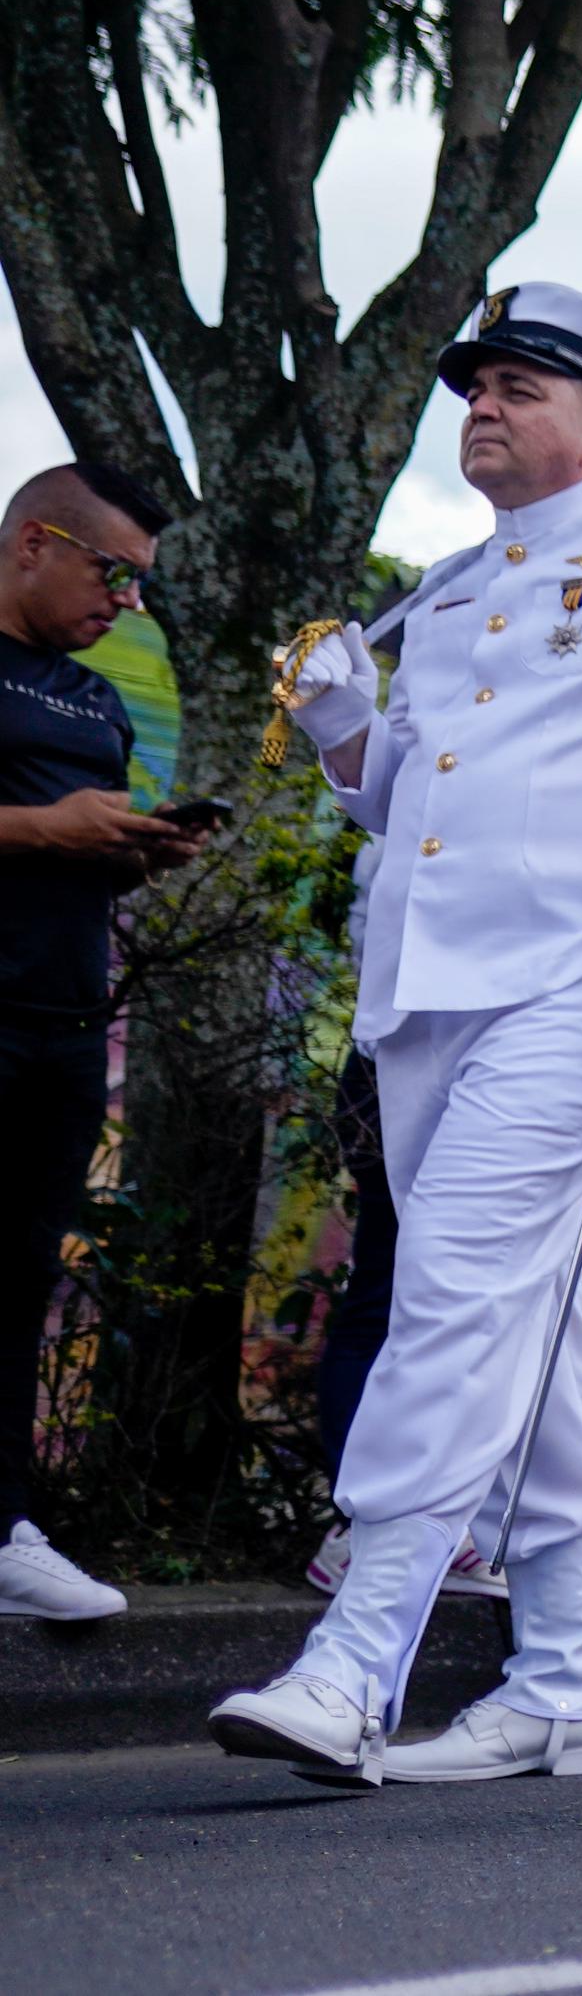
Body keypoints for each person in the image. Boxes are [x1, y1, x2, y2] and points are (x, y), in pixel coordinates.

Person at [212, 284, 582, 1789]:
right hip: (430, 997)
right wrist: (344, 727)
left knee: (456, 1299)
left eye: (521, 385)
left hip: (580, 980)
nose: (484, 404)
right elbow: (401, 796)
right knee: (532, 1321)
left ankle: (356, 1659)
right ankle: (561, 1678)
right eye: (474, 385)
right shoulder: (448, 590)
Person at [0, 462, 200, 1624]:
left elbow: (74, 857)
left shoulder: (96, 700)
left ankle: (3, 1528)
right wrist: (45, 826)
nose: (127, 600)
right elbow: (41, 833)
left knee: (23, 1276)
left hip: (67, 1027)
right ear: (35, 541)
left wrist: (133, 852)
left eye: (140, 583)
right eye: (114, 571)